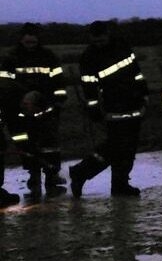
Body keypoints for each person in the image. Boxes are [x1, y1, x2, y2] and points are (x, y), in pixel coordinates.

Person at [70, 20, 149, 198]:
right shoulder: (88, 57)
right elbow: (89, 87)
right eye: (95, 41)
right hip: (113, 105)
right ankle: (82, 172)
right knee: (116, 146)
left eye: (102, 40)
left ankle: (120, 185)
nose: (99, 44)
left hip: (134, 101)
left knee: (128, 147)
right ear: (91, 38)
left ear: (108, 34)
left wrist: (144, 93)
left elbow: (136, 71)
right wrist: (94, 109)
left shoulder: (122, 46)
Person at [2, 23, 68, 196]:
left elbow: (59, 81)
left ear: (38, 38)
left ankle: (52, 175)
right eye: (27, 36)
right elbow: (4, 85)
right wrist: (19, 101)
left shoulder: (49, 57)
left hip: (46, 108)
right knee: (25, 143)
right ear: (21, 38)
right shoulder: (10, 58)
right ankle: (33, 174)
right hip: (19, 110)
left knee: (49, 144)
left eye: (33, 36)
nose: (30, 40)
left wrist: (58, 100)